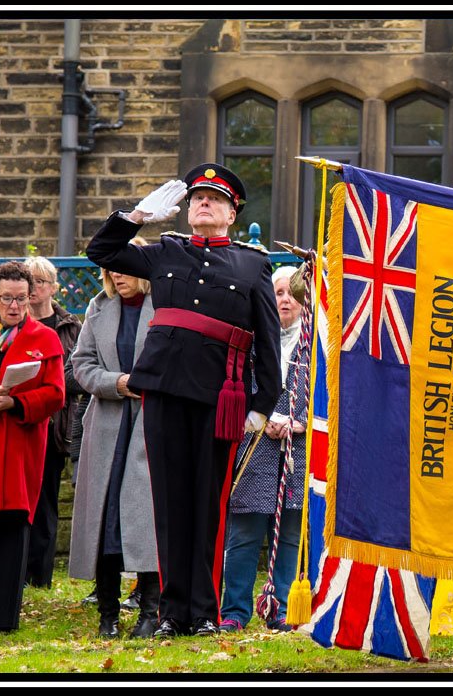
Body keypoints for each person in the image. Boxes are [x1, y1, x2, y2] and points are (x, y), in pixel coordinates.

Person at [86, 163, 282, 638]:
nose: (203, 203)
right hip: (166, 392)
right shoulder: (164, 252)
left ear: (232, 213)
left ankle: (204, 611)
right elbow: (102, 251)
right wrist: (136, 217)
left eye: (215, 199)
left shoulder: (252, 265)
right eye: (197, 198)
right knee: (169, 503)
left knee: (208, 504)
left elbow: (268, 343)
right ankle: (173, 613)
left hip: (220, 398)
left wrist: (261, 404)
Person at [68, 247, 161, 638]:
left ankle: (150, 612)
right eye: (109, 270)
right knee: (103, 520)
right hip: (107, 427)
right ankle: (107, 614)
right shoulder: (99, 307)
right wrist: (117, 384)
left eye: (122, 269)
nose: (115, 276)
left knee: (146, 521)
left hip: (151, 427)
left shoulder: (164, 306)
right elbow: (81, 364)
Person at [219, 266, 309, 633]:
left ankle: (283, 607)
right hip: (256, 441)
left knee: (289, 532)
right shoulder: (254, 341)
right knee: (244, 532)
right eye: (278, 292)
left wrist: (297, 420)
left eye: (291, 293)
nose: (285, 299)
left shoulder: (315, 343)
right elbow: (240, 383)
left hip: (299, 445)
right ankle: (234, 612)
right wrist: (266, 415)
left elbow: (328, 390)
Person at [0, 261, 66, 632]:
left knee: (13, 530)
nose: (15, 306)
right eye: (7, 298)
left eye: (22, 298)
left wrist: (16, 403)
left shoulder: (44, 339)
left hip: (21, 451)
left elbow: (55, 394)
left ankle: (3, 619)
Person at [21, 256, 83, 589]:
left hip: (55, 428)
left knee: (45, 502)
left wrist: (48, 381)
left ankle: (40, 576)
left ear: (53, 288)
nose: (33, 289)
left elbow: (77, 378)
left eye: (40, 282)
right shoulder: (6, 325)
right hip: (17, 422)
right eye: (28, 281)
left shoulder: (70, 327)